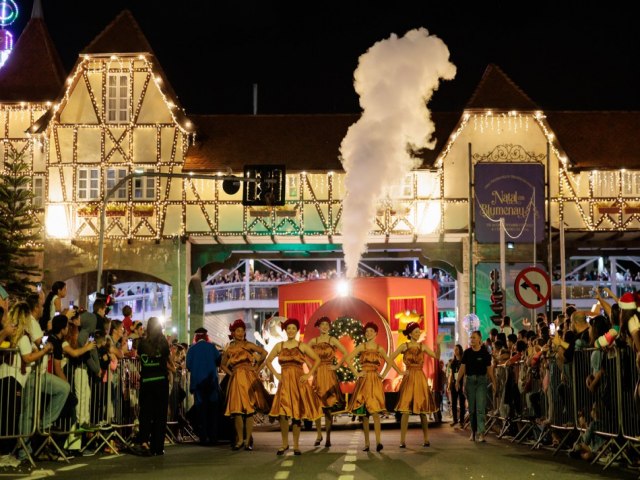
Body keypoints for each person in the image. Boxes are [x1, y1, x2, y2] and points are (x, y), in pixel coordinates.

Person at [265, 318, 323, 456]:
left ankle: (296, 445)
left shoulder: (301, 345)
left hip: (298, 382)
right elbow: (268, 361)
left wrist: (308, 374)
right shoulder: (280, 345)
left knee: (297, 415)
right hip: (284, 382)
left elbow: (318, 360)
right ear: (285, 330)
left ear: (297, 331)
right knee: (283, 414)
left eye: (293, 328)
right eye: (288, 328)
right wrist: (276, 375)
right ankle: (284, 444)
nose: (291, 330)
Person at [344, 321, 398, 453]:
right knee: (364, 414)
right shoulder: (361, 346)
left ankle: (378, 442)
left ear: (375, 333)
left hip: (374, 380)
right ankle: (367, 443)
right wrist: (357, 373)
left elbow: (390, 361)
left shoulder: (379, 348)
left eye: (371, 331)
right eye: (367, 331)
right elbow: (348, 359)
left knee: (375, 413)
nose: (369, 333)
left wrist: (383, 374)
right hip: (363, 381)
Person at [221, 319, 270, 450]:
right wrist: (232, 374)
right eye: (238, 330)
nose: (241, 333)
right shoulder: (229, 348)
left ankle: (248, 440)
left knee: (249, 411)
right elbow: (222, 365)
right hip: (236, 379)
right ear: (233, 332)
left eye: (242, 330)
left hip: (248, 377)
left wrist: (256, 369)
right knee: (237, 411)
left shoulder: (248, 345)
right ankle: (240, 440)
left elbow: (264, 353)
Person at [389, 322, 439, 447]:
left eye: (419, 331)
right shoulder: (404, 346)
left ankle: (426, 439)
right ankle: (402, 441)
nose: (418, 333)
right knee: (405, 410)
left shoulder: (422, 346)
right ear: (410, 333)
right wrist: (399, 371)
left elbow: (436, 356)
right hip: (409, 377)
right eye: (416, 332)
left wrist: (437, 344)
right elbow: (390, 358)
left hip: (420, 378)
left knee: (422, 410)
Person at [306, 316, 348, 448]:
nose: (324, 326)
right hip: (318, 374)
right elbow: (302, 353)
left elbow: (345, 352)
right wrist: (311, 368)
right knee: (318, 407)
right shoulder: (314, 341)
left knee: (328, 408)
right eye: (322, 324)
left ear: (329, 327)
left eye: (326, 324)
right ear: (318, 327)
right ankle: (319, 434)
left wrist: (336, 366)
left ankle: (328, 437)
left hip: (329, 375)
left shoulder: (332, 339)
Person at [135, 316, 171, 456]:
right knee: (160, 414)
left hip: (147, 381)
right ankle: (158, 446)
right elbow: (168, 359)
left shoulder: (142, 344)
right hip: (161, 381)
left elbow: (140, 358)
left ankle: (144, 441)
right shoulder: (164, 343)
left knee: (146, 412)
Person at [456, 330, 497, 443]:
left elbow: (489, 370)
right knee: (472, 410)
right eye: (471, 338)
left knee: (480, 408)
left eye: (474, 337)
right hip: (469, 381)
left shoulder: (485, 353)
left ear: (479, 339)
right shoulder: (467, 352)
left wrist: (494, 382)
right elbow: (462, 368)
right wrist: (457, 381)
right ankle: (473, 432)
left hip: (481, 381)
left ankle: (481, 433)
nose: (472, 340)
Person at [186, 327, 221, 447]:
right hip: (211, 383)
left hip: (198, 384)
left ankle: (203, 437)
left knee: (201, 411)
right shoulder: (211, 347)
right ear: (206, 337)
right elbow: (218, 360)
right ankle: (213, 437)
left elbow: (188, 366)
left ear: (196, 337)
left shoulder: (192, 349)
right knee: (213, 411)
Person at [448, 344, 466, 427]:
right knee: (453, 403)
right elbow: (451, 374)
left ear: (460, 350)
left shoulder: (463, 361)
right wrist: (449, 385)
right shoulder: (453, 362)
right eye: (454, 350)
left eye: (457, 349)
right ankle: (455, 420)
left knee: (462, 402)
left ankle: (462, 421)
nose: (455, 351)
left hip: (461, 383)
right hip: (453, 383)